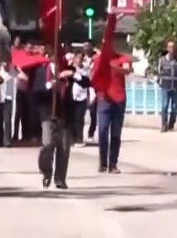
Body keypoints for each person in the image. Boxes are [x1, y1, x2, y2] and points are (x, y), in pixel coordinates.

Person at [33, 56, 88, 189]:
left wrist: (73, 74)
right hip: (48, 116)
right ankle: (46, 172)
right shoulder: (42, 71)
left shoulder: (69, 71)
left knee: (64, 149)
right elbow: (36, 92)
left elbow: (86, 83)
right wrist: (50, 85)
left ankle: (60, 179)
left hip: (65, 115)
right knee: (48, 145)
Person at [95, 43, 131, 174]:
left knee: (116, 133)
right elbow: (94, 77)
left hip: (119, 99)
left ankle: (113, 164)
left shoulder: (122, 59)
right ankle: (103, 163)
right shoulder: (99, 59)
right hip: (104, 99)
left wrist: (113, 67)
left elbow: (127, 70)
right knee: (103, 130)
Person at [156, 40, 177, 132]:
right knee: (164, 105)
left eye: (173, 47)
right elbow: (159, 73)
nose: (171, 49)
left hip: (176, 87)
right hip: (165, 85)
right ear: (167, 48)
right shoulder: (162, 60)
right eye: (169, 47)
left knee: (174, 107)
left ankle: (171, 125)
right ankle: (163, 125)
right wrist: (159, 81)